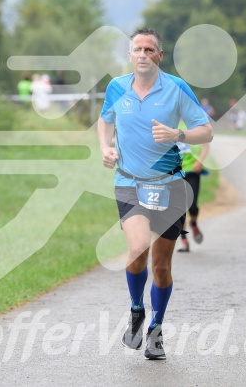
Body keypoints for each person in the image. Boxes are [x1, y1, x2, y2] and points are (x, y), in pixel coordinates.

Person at [97, 27, 213, 360]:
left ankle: (156, 330)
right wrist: (105, 147)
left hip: (170, 186)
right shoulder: (117, 87)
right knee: (136, 249)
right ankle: (137, 310)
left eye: (150, 50)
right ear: (130, 55)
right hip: (129, 182)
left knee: (161, 268)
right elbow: (105, 120)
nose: (143, 55)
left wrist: (178, 133)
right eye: (138, 49)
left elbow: (206, 132)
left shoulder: (176, 88)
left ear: (159, 56)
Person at [176, 119, 210, 252]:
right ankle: (184, 241)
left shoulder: (194, 123)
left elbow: (206, 145)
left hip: (193, 171)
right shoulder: (168, 122)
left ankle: (194, 223)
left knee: (192, 206)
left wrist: (200, 161)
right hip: (176, 172)